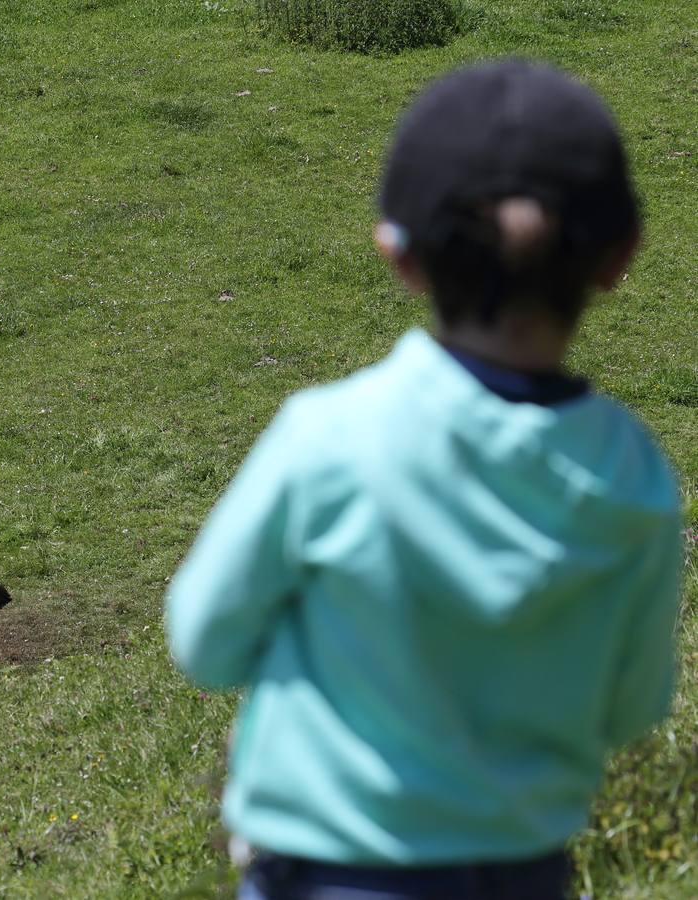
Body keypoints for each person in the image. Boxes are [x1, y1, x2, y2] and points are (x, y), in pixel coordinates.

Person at [164, 59, 682, 900]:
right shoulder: (635, 475)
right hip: (524, 875)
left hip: (322, 874)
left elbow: (203, 639)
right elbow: (631, 709)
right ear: (620, 256)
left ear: (398, 253)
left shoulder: (329, 437)